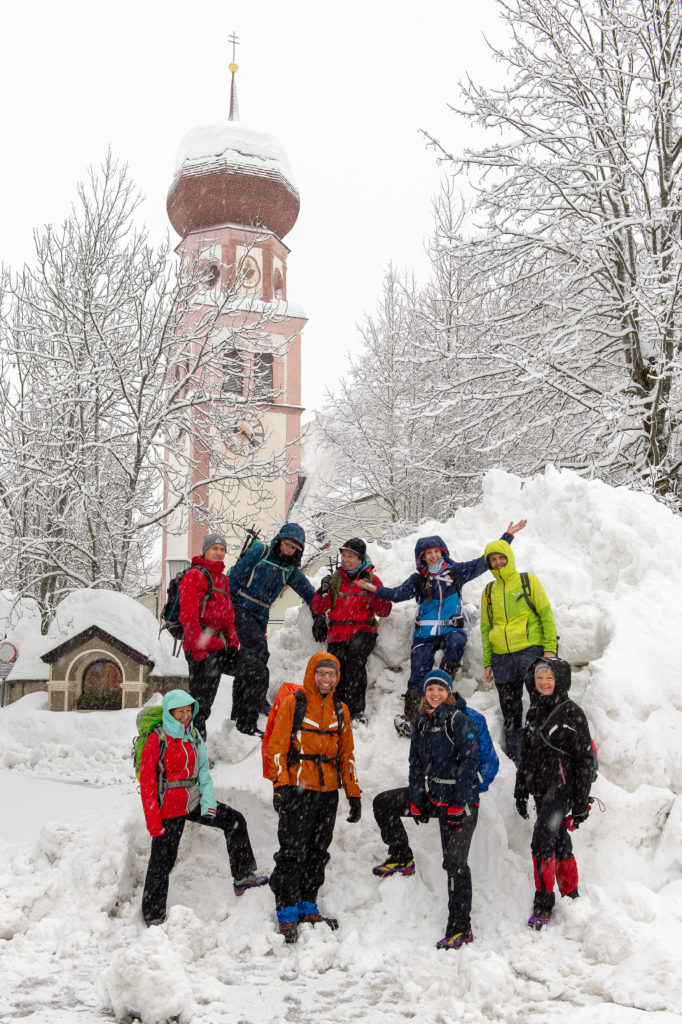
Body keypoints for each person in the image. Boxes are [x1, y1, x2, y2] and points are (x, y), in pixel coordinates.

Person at [357, 522, 526, 734]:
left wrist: (507, 536)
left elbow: (484, 562)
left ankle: (442, 694)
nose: (434, 556)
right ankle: (413, 718)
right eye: (429, 554)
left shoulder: (457, 572)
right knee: (419, 669)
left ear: (443, 553)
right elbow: (397, 594)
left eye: (437, 552)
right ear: (422, 557)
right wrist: (372, 588)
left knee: (457, 641)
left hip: (450, 629)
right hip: (424, 634)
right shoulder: (418, 580)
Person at [372, 669, 489, 949]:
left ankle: (460, 928)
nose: (435, 694)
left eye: (440, 689)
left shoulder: (459, 720)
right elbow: (416, 765)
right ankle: (402, 856)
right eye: (430, 690)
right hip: (434, 798)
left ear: (448, 692)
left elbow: (469, 764)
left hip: (461, 805)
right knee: (383, 803)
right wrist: (416, 798)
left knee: (455, 865)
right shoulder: (422, 722)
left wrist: (459, 804)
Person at [139, 690, 268, 926]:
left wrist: (208, 802)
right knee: (162, 861)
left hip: (193, 801)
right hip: (168, 809)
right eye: (180, 712)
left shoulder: (193, 735)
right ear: (169, 713)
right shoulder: (156, 739)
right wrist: (153, 822)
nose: (186, 716)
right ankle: (153, 913)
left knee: (234, 820)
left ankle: (243, 877)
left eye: (188, 711)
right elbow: (147, 784)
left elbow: (204, 773)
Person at [265, 651, 362, 944]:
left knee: (319, 849)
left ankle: (308, 904)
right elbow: (277, 746)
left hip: (328, 792)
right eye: (321, 673)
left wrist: (353, 793)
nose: (326, 679)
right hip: (298, 788)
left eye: (331, 674)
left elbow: (347, 756)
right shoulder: (295, 704)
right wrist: (280, 785)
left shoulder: (341, 710)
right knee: (292, 850)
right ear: (312, 674)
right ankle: (286, 909)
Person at [514, 658, 595, 929]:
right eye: (540, 678)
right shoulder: (534, 711)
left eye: (549, 678)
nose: (544, 683)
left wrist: (581, 802)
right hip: (540, 788)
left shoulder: (572, 712)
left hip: (562, 789)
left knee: (542, 840)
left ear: (560, 679)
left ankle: (543, 901)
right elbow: (526, 754)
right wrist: (521, 788)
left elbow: (585, 760)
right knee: (558, 837)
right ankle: (570, 892)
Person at [227, 523, 316, 736]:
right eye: (286, 544)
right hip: (242, 608)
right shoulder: (260, 552)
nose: (288, 550)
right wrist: (228, 611)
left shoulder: (290, 570)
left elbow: (308, 592)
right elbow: (234, 578)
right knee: (259, 654)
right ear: (279, 540)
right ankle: (251, 708)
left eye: (294, 548)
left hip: (261, 614)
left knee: (250, 660)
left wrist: (320, 610)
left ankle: (241, 709)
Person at [480, 538, 557, 765]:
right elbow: (486, 629)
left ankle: (545, 752)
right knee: (510, 712)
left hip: (529, 650)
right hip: (501, 657)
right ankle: (518, 762)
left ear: (509, 558)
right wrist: (487, 662)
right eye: (493, 560)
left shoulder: (527, 581)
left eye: (501, 558)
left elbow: (545, 614)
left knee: (541, 702)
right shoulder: (488, 591)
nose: (498, 563)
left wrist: (550, 648)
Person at [311, 537, 391, 726]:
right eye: (343, 555)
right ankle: (336, 708)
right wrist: (322, 592)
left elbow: (384, 610)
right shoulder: (335, 580)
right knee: (334, 667)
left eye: (351, 556)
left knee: (355, 659)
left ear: (361, 559)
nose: (345, 560)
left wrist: (372, 590)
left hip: (364, 630)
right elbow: (318, 608)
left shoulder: (371, 579)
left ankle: (356, 712)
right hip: (338, 632)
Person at [179, 532, 240, 740]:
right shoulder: (194, 575)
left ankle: (243, 725)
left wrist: (233, 643)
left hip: (219, 647)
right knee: (200, 703)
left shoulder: (223, 580)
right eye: (215, 548)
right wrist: (199, 651)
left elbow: (229, 617)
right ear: (205, 550)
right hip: (201, 650)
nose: (219, 553)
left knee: (254, 670)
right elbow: (188, 617)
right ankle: (192, 745)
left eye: (222, 549)